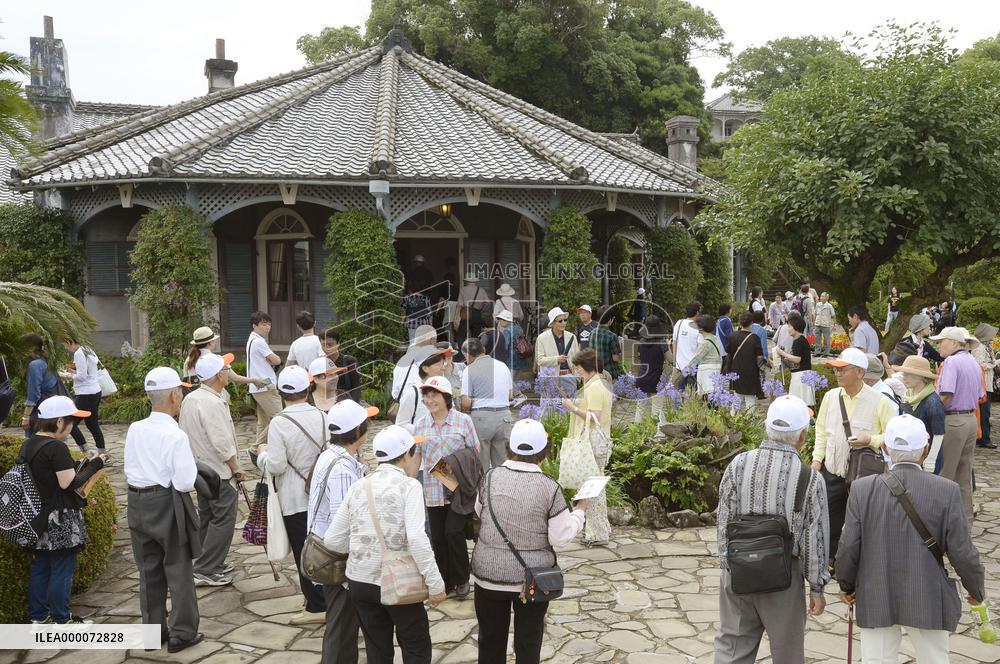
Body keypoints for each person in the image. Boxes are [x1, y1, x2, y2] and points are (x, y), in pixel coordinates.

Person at [835, 414, 986, 663]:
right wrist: (976, 588)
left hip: (876, 592)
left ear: (885, 448)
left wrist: (846, 584)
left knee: (877, 660)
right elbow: (962, 551)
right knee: (934, 659)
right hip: (926, 592)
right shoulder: (946, 490)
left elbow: (848, 545)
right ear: (925, 451)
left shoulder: (862, 489)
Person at [714, 395, 829, 664]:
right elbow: (815, 540)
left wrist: (728, 564)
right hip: (783, 577)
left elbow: (723, 522)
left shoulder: (738, 464)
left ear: (766, 427)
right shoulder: (810, 479)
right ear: (803, 436)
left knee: (732, 650)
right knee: (787, 654)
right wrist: (816, 588)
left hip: (739, 571)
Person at [325, 425, 446, 664]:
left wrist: (363, 550)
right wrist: (435, 583)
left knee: (377, 650)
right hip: (399, 582)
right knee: (416, 646)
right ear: (407, 454)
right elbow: (417, 539)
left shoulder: (359, 485)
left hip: (360, 581)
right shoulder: (409, 486)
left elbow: (332, 539)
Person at [472, 418, 587, 664]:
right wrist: (580, 511)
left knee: (490, 641)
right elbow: (560, 536)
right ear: (545, 451)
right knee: (528, 641)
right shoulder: (549, 488)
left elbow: (479, 511)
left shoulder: (490, 477)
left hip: (488, 575)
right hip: (532, 580)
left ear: (508, 447)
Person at [124, 367, 203, 653]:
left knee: (148, 571)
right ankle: (182, 633)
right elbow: (184, 482)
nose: (181, 395)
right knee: (178, 568)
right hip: (166, 502)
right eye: (180, 391)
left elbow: (129, 467)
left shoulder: (135, 428)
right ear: (173, 395)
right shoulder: (176, 435)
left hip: (136, 502)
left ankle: (153, 633)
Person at [23, 395, 106, 625]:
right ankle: (62, 620)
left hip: (38, 515)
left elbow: (48, 475)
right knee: (62, 569)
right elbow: (69, 483)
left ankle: (39, 618)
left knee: (41, 567)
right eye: (72, 422)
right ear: (59, 421)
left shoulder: (29, 443)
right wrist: (97, 464)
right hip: (60, 517)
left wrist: (82, 464)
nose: (72, 427)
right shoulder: (56, 447)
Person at [256, 365, 329, 625]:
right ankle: (327, 596)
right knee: (323, 548)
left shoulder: (279, 423)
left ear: (281, 393)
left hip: (294, 497)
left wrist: (262, 455)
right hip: (321, 493)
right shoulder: (322, 416)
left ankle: (316, 605)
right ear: (308, 389)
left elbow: (276, 465)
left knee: (303, 551)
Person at [811, 347, 895, 563]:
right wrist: (817, 459)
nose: (837, 373)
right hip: (832, 472)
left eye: (843, 369)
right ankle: (832, 563)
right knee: (829, 521)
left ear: (860, 372)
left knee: (861, 523)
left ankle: (861, 564)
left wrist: (871, 440)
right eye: (836, 369)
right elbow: (821, 430)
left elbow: (893, 437)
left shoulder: (880, 401)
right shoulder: (830, 397)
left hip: (862, 476)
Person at [308, 400, 376, 664]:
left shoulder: (331, 455)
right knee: (342, 626)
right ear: (358, 431)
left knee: (343, 623)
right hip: (338, 559)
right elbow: (345, 522)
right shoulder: (343, 469)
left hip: (327, 550)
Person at [178, 353, 243, 586]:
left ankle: (206, 561)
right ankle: (206, 568)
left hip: (200, 469)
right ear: (218, 375)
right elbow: (221, 440)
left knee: (207, 516)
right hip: (218, 472)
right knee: (223, 519)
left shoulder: (191, 398)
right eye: (226, 369)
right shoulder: (213, 402)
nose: (228, 373)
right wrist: (236, 466)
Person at [414, 376, 480, 597]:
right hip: (433, 490)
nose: (429, 400)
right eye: (426, 395)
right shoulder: (421, 425)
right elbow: (416, 457)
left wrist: (456, 465)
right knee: (438, 537)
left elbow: (475, 450)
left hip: (458, 490)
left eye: (434, 395)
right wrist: (408, 483)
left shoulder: (463, 421)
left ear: (446, 397)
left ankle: (462, 580)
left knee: (453, 532)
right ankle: (445, 581)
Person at [930, 326, 985, 524]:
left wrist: (932, 413)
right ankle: (965, 523)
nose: (938, 345)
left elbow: (946, 394)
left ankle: (939, 524)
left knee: (945, 473)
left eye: (941, 341)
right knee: (963, 476)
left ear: (954, 343)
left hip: (954, 421)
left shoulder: (951, 362)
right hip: (970, 420)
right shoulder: (973, 361)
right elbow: (980, 395)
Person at [561, 348, 612, 546]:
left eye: (578, 367)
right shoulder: (596, 383)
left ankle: (596, 533)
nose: (576, 371)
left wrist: (572, 408)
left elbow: (595, 417)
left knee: (593, 487)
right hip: (596, 440)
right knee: (593, 485)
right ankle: (597, 529)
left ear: (588, 367)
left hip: (593, 441)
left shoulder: (595, 386)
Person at [460, 337, 513, 471]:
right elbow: (510, 395)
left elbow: (466, 402)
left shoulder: (469, 369)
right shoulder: (503, 366)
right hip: (504, 416)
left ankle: (483, 485)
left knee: (480, 463)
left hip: (482, 418)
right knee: (503, 463)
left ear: (467, 355)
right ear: (483, 349)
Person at [892, 355, 946, 473]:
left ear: (921, 377)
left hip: (927, 458)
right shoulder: (907, 396)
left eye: (908, 374)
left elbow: (938, 434)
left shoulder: (933, 402)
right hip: (910, 456)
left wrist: (931, 460)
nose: (904, 377)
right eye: (904, 374)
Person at [20, 334, 73, 444]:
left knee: (37, 446)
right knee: (57, 445)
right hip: (55, 411)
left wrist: (26, 417)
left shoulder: (35, 365)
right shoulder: (46, 361)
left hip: (42, 413)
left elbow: (34, 395)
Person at [183, 326, 264, 395]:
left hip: (195, 396)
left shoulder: (189, 359)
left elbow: (186, 382)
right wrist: (254, 380)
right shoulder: (216, 360)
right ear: (210, 342)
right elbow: (236, 378)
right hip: (214, 396)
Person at [60, 338, 105, 455]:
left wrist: (65, 375)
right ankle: (102, 453)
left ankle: (86, 451)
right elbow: (87, 372)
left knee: (69, 423)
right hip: (95, 391)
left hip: (85, 394)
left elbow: (82, 376)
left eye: (65, 345)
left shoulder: (79, 353)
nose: (66, 348)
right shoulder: (87, 349)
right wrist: (71, 371)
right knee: (92, 425)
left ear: (70, 342)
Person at [246, 311, 283, 448]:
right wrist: (275, 359)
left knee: (263, 423)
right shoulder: (259, 342)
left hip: (257, 386)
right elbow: (277, 360)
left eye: (269, 324)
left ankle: (259, 451)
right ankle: (255, 447)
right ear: (254, 325)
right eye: (263, 324)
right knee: (280, 417)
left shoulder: (252, 340)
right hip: (266, 385)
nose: (267, 327)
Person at [395, 347, 446, 429]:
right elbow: (401, 424)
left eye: (443, 364)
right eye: (438, 365)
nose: (443, 368)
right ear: (425, 368)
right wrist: (422, 431)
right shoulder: (412, 393)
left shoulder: (444, 389)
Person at [535, 307, 580, 395]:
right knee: (550, 404)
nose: (563, 323)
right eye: (560, 321)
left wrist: (577, 376)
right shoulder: (541, 338)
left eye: (565, 320)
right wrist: (556, 359)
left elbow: (577, 359)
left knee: (571, 403)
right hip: (550, 379)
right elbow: (539, 360)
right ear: (552, 323)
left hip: (569, 377)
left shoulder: (572, 337)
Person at [726, 312, 764, 411]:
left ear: (740, 323)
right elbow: (760, 358)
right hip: (750, 372)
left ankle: (733, 417)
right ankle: (749, 419)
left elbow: (728, 352)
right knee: (750, 398)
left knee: (737, 396)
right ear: (751, 323)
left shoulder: (732, 336)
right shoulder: (754, 338)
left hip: (735, 370)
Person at [633, 316, 668, 424]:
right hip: (656, 379)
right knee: (657, 408)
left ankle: (637, 429)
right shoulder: (662, 343)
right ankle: (655, 430)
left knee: (640, 408)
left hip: (642, 377)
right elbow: (671, 359)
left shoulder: (641, 342)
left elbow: (639, 358)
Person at [391, 324, 437, 400]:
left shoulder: (400, 363)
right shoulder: (426, 362)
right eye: (435, 340)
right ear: (432, 340)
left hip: (401, 404)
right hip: (420, 404)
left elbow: (395, 392)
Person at [972, 323, 998, 450]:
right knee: (984, 413)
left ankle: (982, 437)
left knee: (984, 412)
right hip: (982, 385)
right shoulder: (979, 348)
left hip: (986, 383)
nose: (993, 336)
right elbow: (979, 365)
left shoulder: (986, 347)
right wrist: (994, 364)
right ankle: (984, 439)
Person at [778, 316, 814, 406]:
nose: (788, 329)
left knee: (797, 404)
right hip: (804, 374)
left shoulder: (798, 340)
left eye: (790, 327)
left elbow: (797, 359)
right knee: (803, 404)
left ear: (796, 327)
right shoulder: (801, 339)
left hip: (800, 376)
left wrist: (782, 353)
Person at [321, 329, 361, 403]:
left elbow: (356, 387)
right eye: (323, 345)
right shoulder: (320, 364)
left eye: (330, 345)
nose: (327, 348)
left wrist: (353, 405)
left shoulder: (349, 361)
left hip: (347, 403)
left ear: (338, 344)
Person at [687, 315, 723, 397]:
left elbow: (696, 359)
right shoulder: (715, 338)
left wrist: (685, 370)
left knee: (707, 397)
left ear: (701, 328)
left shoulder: (705, 343)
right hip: (716, 370)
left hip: (707, 372)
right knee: (714, 396)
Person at [482, 310, 526, 374]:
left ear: (506, 320)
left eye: (501, 320)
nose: (500, 322)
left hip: (510, 360)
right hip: (520, 357)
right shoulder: (518, 327)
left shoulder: (507, 330)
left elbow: (505, 346)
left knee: (509, 378)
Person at [670, 301, 702, 390]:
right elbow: (700, 349)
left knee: (679, 391)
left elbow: (674, 343)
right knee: (691, 392)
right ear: (697, 312)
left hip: (679, 366)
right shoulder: (699, 328)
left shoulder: (679, 323)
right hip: (693, 367)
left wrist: (674, 361)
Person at [590, 305, 623, 379]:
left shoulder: (592, 333)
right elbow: (616, 358)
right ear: (610, 319)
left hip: (596, 373)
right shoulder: (612, 336)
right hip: (609, 374)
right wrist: (621, 345)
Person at [814, 293, 835, 357]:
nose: (821, 298)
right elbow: (815, 313)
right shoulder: (818, 304)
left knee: (826, 339)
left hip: (825, 324)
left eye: (823, 296)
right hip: (818, 323)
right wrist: (814, 321)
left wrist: (833, 323)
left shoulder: (829, 306)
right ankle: (817, 352)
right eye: (821, 296)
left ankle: (826, 353)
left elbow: (833, 315)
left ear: (826, 298)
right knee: (817, 339)